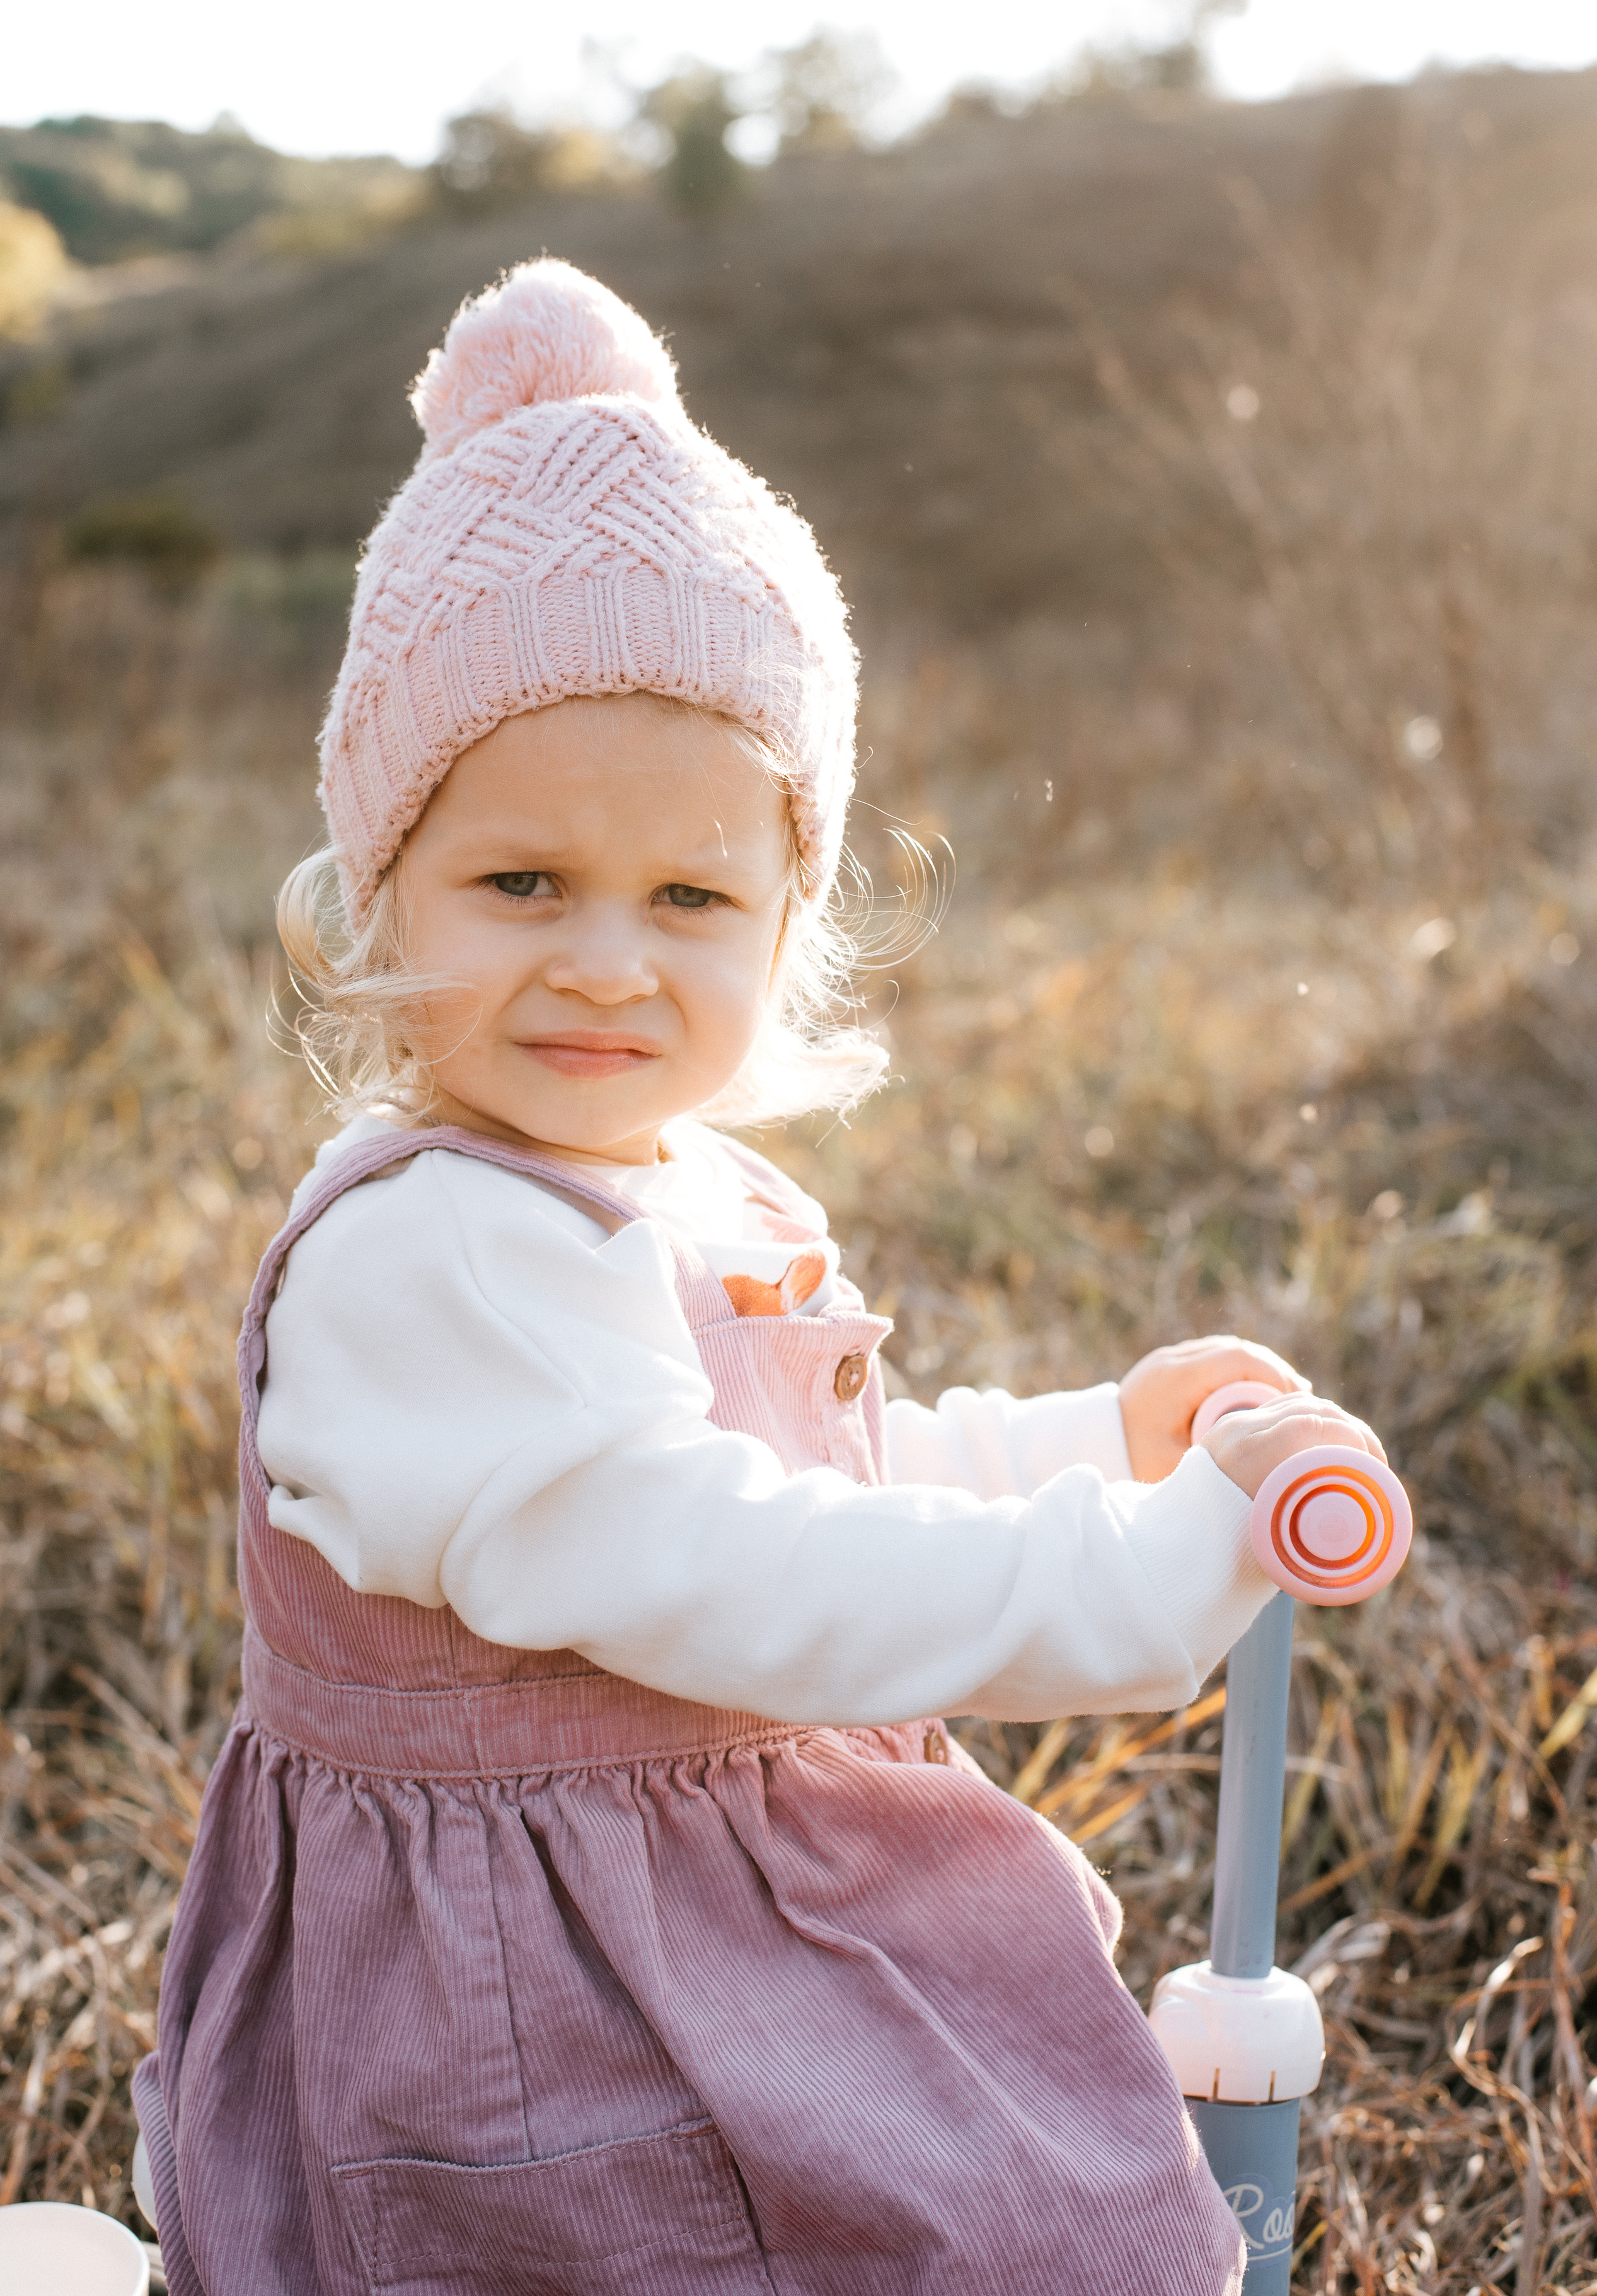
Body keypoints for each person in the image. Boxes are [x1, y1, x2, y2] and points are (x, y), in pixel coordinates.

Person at [131, 260, 1385, 2295]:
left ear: (791, 917)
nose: (608, 959)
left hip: (698, 1919)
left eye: (692, 895)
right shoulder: (430, 1248)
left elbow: (838, 1469)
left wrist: (1095, 1437)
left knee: (986, 2190)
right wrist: (1129, 1579)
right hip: (531, 2023)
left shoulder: (685, 1181)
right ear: (381, 889)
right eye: (520, 881)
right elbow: (729, 1565)